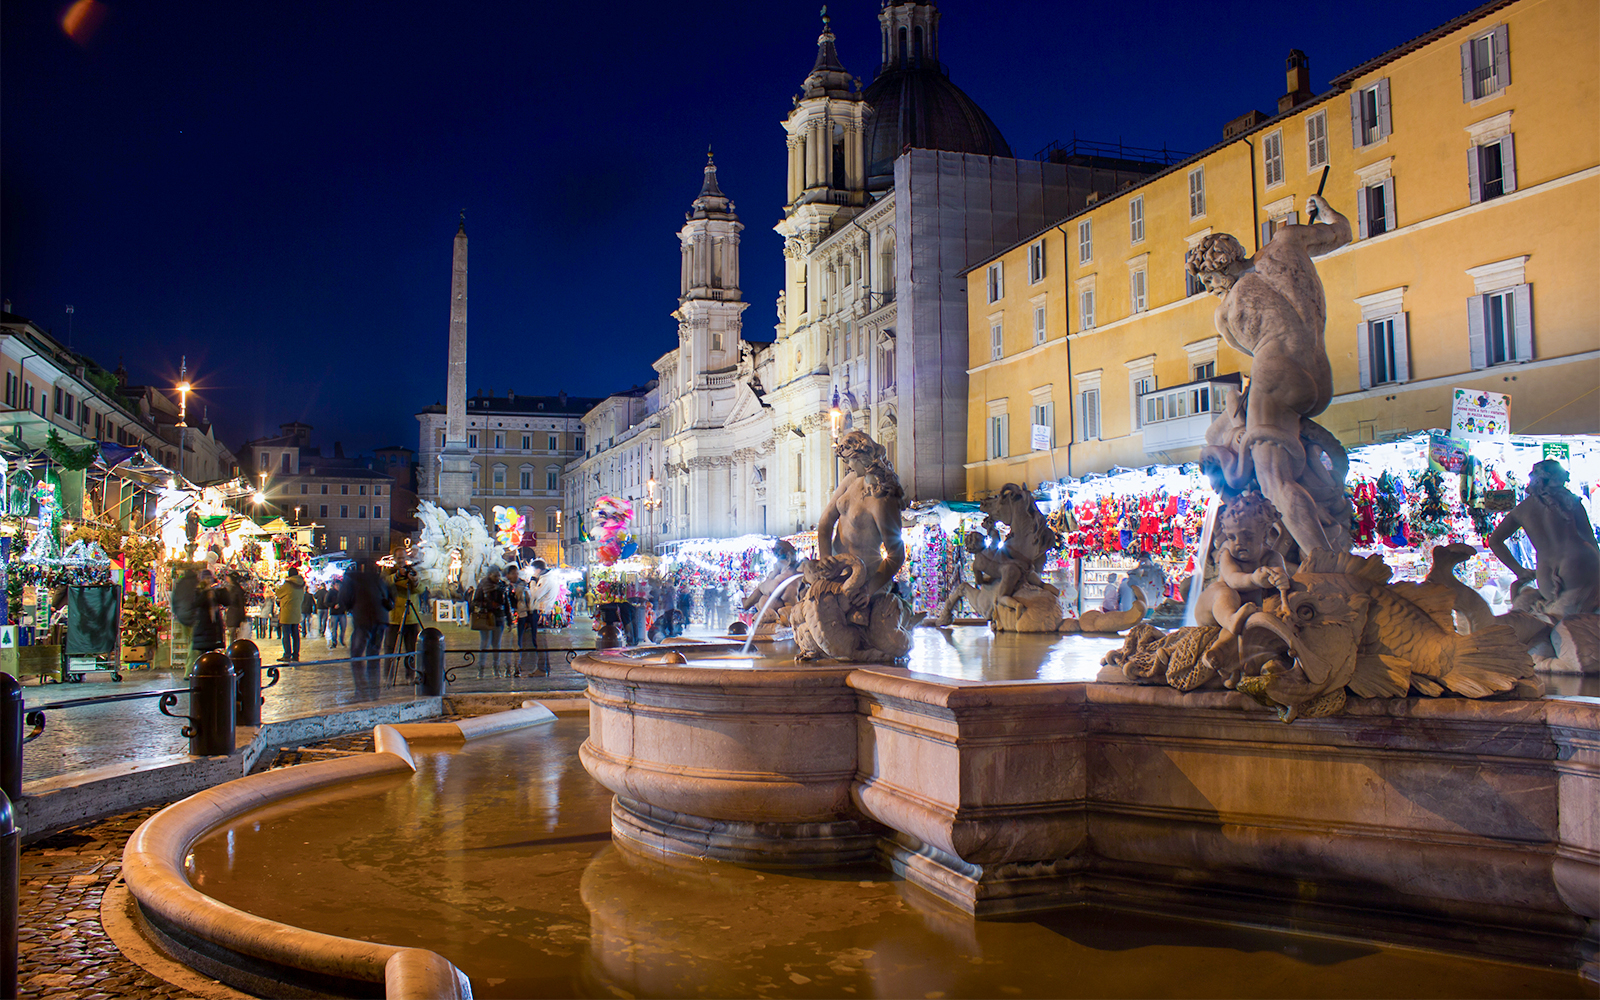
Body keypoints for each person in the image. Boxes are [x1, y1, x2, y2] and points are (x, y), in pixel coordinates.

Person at [1189, 194, 1353, 557]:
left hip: (1276, 372)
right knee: (1285, 465)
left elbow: (1249, 351)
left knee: (1274, 480)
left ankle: (1323, 566)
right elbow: (1342, 232)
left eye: (1208, 279)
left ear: (1217, 269)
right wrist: (1324, 211)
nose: (1210, 288)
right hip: (1318, 374)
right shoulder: (1287, 242)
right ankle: (1319, 536)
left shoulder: (1226, 309)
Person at [342, 558, 393, 661]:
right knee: (374, 653)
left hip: (363, 619)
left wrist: (350, 608)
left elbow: (344, 597)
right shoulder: (380, 579)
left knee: (357, 653)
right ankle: (373, 675)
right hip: (381, 619)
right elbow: (392, 598)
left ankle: (360, 676)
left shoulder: (351, 578)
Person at [384, 560, 423, 682]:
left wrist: (414, 580)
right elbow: (384, 583)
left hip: (410, 618)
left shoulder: (414, 573)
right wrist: (397, 575)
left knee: (411, 650)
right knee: (390, 649)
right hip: (394, 619)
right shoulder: (388, 572)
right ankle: (388, 676)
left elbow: (420, 589)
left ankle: (410, 676)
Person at [472, 566, 513, 677]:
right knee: (485, 643)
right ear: (489, 575)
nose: (497, 578)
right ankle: (481, 669)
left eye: (499, 576)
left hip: (499, 617)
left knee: (497, 644)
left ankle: (496, 668)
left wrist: (509, 619)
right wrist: (489, 605)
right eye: (495, 576)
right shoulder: (483, 585)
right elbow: (475, 601)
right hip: (486, 617)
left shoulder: (502, 586)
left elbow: (507, 604)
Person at [528, 560, 556, 675]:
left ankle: (542, 668)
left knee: (540, 643)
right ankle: (545, 667)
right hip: (545, 611)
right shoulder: (551, 578)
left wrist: (532, 581)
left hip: (541, 612)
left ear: (538, 569)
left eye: (534, 570)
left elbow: (535, 594)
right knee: (542, 642)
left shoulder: (545, 580)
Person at [276, 566, 307, 662]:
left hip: (287, 612)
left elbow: (278, 593)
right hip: (296, 612)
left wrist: (278, 587)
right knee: (295, 635)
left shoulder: (288, 584)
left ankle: (287, 655)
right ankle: (296, 655)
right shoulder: (301, 584)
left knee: (286, 634)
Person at [223, 572, 249, 646]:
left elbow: (239, 603)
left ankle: (233, 650)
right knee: (233, 635)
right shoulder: (235, 588)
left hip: (234, 614)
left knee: (232, 635)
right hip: (234, 614)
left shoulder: (235, 589)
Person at [326, 576, 348, 648]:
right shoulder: (330, 593)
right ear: (334, 585)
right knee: (334, 629)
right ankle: (334, 642)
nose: (338, 586)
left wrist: (344, 607)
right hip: (334, 613)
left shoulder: (343, 593)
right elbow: (326, 602)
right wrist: (333, 605)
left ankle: (342, 640)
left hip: (342, 613)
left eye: (340, 585)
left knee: (343, 628)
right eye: (337, 585)